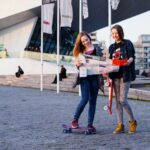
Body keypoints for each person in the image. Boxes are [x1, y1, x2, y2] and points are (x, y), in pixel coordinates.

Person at [71, 31, 103, 133]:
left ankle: (90, 125)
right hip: (84, 78)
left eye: (86, 39)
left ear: (89, 38)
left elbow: (102, 62)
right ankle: (75, 120)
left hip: (95, 78)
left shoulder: (97, 48)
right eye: (83, 41)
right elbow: (77, 64)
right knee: (84, 99)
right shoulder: (80, 51)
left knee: (92, 102)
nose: (85, 42)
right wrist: (77, 64)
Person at [108, 24, 137, 134]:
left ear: (120, 32)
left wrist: (129, 60)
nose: (115, 35)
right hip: (115, 76)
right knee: (117, 102)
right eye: (113, 33)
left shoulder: (127, 43)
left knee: (123, 100)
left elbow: (131, 56)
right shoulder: (111, 47)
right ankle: (120, 124)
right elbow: (109, 62)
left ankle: (132, 122)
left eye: (116, 33)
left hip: (125, 75)